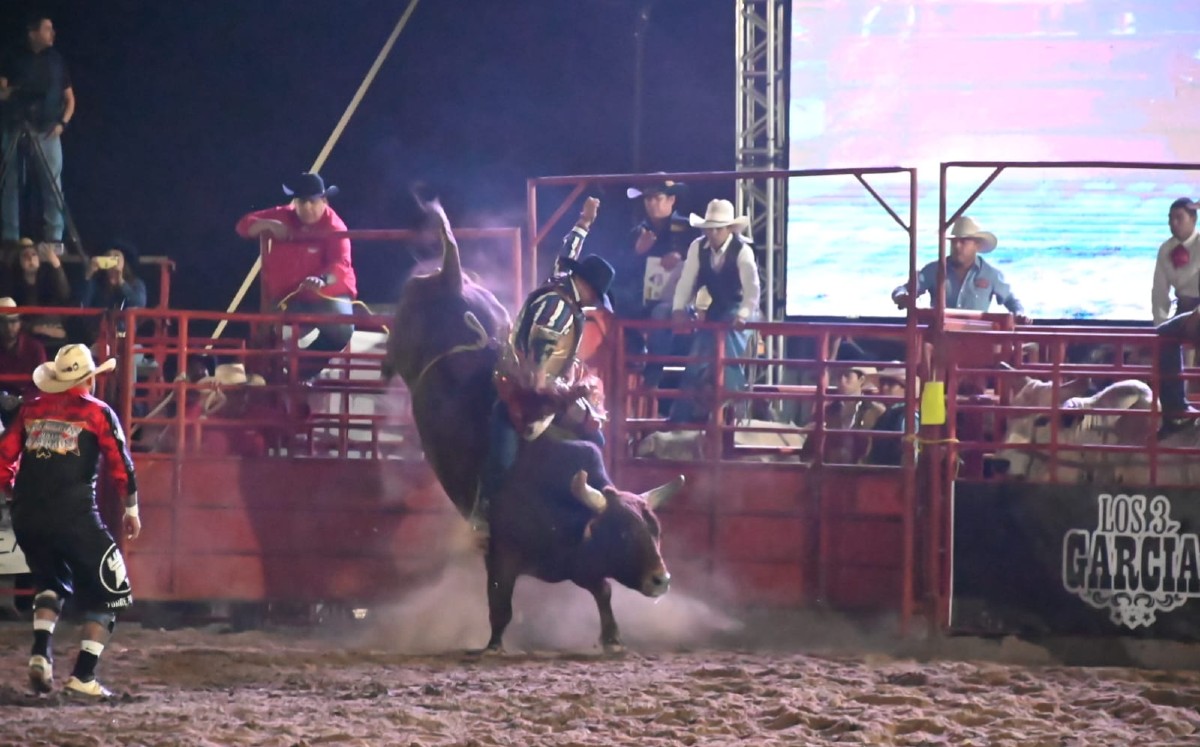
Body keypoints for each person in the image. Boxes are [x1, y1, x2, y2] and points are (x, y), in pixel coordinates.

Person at [0, 343, 141, 697]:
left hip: (27, 514)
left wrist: (13, 491)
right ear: (90, 378)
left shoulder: (30, 409)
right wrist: (131, 509)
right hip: (73, 515)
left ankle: (41, 652)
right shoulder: (98, 413)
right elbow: (121, 464)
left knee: (50, 582)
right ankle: (83, 677)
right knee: (113, 593)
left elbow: (3, 457)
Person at [483, 197, 613, 522]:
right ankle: (487, 507)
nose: (594, 303)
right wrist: (547, 382)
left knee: (590, 433)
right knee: (506, 449)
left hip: (539, 384)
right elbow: (541, 348)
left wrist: (584, 222)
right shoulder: (560, 306)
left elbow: (568, 253)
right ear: (588, 287)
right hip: (524, 386)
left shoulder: (561, 281)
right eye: (596, 296)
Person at [235, 173, 358, 381]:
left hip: (324, 297)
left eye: (313, 201)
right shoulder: (283, 215)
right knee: (262, 335)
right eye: (302, 201)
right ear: (295, 203)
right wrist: (268, 225)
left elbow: (341, 264)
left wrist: (322, 280)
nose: (307, 207)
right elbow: (243, 225)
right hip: (287, 297)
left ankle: (299, 372)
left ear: (324, 201)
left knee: (343, 328)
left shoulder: (336, 227)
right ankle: (262, 380)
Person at [667, 199, 761, 424]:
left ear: (729, 229)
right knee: (696, 360)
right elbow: (686, 280)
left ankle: (732, 417)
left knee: (727, 357)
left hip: (738, 308)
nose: (713, 233)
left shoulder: (743, 251)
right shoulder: (697, 248)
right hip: (717, 308)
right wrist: (678, 309)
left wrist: (744, 314)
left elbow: (752, 289)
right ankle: (682, 419)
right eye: (709, 228)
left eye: (718, 228)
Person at [0, 14, 74, 248]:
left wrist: (62, 123)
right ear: (33, 33)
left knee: (52, 184)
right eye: (47, 29)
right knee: (10, 182)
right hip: (16, 127)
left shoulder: (56, 61)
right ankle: (10, 236)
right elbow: (2, 92)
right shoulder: (13, 57)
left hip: (47, 131)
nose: (52, 33)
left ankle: (54, 237)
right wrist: (16, 92)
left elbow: (70, 99)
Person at [892, 216, 1030, 323]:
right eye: (954, 241)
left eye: (963, 241)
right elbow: (904, 290)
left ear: (977, 245)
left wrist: (1020, 315)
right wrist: (902, 297)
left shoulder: (990, 274)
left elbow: (1012, 301)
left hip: (977, 340)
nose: (957, 246)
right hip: (940, 340)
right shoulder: (933, 270)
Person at [625, 179, 695, 390]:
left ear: (671, 200)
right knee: (617, 303)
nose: (652, 203)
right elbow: (622, 267)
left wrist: (680, 254)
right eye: (647, 198)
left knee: (661, 313)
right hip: (644, 297)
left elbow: (702, 259)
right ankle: (636, 353)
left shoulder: (689, 228)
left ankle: (653, 372)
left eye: (657, 198)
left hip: (680, 300)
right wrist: (637, 252)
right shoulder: (638, 231)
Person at [7, 237, 70, 354]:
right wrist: (36, 328)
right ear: (19, 261)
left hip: (53, 332)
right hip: (26, 336)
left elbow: (64, 294)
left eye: (34, 254)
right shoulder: (14, 284)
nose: (30, 259)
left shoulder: (48, 278)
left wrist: (56, 265)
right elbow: (11, 316)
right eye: (25, 256)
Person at [1151, 197, 1200, 325]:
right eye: (1170, 218)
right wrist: (1160, 323)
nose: (1173, 223)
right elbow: (1160, 291)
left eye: (1179, 218)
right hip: (1182, 311)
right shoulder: (1166, 249)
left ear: (1193, 219)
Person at [0, 296, 45, 426]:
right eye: (3, 322)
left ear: (20, 322)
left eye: (13, 321)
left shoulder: (34, 348)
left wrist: (22, 399)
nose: (8, 327)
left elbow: (43, 384)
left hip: (28, 406)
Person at [866, 365, 918, 466]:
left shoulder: (907, 416)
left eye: (891, 384)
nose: (884, 387)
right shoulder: (886, 414)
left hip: (893, 471)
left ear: (905, 389)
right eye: (882, 383)